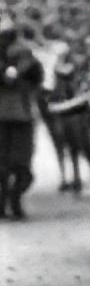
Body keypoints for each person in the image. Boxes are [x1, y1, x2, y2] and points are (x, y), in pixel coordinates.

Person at [0, 24, 44, 218]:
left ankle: (12, 201)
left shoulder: (28, 59)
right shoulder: (27, 58)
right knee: (13, 165)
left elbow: (37, 80)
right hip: (16, 117)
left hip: (21, 117)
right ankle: (9, 202)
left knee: (20, 165)